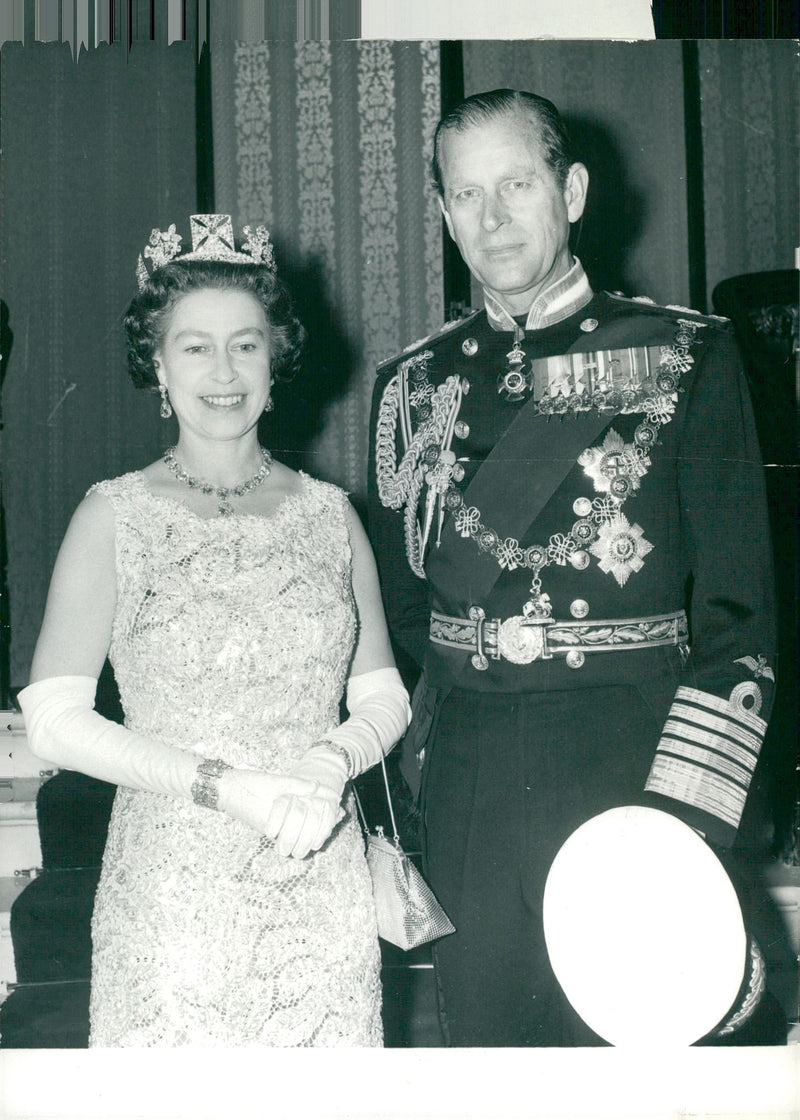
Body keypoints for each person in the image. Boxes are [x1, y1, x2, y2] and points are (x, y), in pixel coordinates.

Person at [367, 90, 778, 1047]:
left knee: (647, 1073)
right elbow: (394, 621)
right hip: (469, 777)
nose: (494, 216)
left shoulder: (683, 357)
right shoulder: (412, 384)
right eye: (467, 194)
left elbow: (738, 621)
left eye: (517, 183)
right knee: (498, 1068)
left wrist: (683, 821)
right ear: (443, 213)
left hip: (632, 757)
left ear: (575, 189)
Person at [18, 214, 411, 1047]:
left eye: (246, 345)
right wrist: (224, 786)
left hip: (319, 885)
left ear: (277, 361)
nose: (223, 371)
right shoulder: (112, 514)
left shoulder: (331, 516)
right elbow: (54, 719)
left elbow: (382, 695)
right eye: (194, 347)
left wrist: (326, 759)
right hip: (173, 894)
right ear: (157, 366)